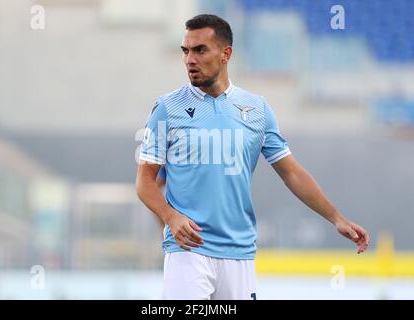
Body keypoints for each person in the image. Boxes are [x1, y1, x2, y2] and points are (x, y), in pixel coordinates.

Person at [136, 14, 369, 300]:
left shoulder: (257, 109)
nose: (189, 60)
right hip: (188, 252)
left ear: (226, 54)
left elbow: (291, 173)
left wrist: (336, 218)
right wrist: (170, 217)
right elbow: (145, 181)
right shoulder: (167, 108)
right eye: (185, 51)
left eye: (200, 50)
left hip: (239, 253)